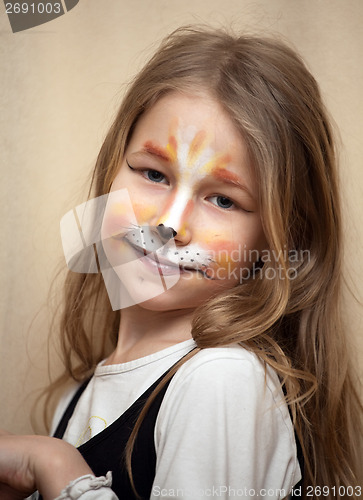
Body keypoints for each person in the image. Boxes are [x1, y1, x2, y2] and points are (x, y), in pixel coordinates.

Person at [0, 26, 362, 500]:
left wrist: (57, 469)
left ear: (278, 237)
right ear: (112, 166)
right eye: (153, 173)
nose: (169, 224)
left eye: (223, 200)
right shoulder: (77, 397)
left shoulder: (223, 381)